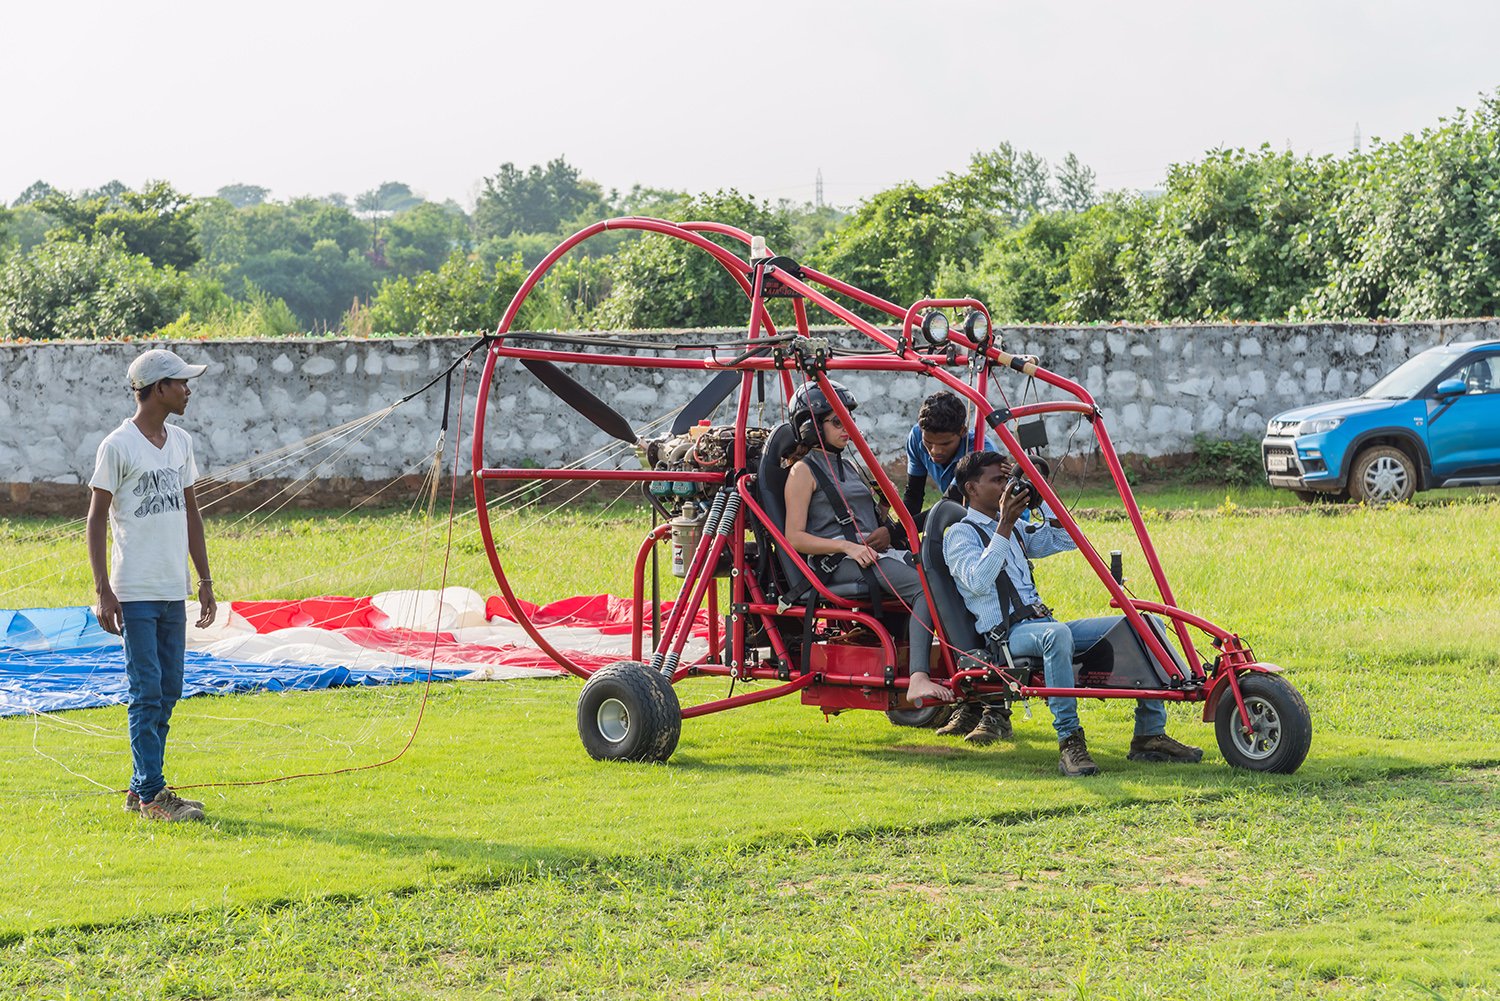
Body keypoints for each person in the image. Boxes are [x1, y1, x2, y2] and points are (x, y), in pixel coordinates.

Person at [942, 451, 1202, 776]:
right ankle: (1069, 742)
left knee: (1143, 623)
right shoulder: (959, 534)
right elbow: (979, 581)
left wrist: (1041, 492)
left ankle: (1150, 734)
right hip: (1006, 638)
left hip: (1042, 626)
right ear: (971, 489)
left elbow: (1068, 538)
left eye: (1008, 479)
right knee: (1058, 634)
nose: (1006, 487)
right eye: (997, 480)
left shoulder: (1017, 530)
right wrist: (1006, 524)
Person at [86, 349, 217, 822]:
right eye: (181, 382)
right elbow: (96, 517)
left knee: (170, 689)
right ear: (158, 388)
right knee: (146, 690)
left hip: (171, 589)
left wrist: (203, 580)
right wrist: (103, 589)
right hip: (135, 591)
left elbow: (192, 515)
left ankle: (142, 785)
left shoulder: (180, 443)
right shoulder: (117, 446)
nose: (188, 389)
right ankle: (152, 797)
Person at [782, 381, 951, 707]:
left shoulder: (847, 465)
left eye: (849, 419)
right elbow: (794, 537)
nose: (847, 428)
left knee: (944, 570)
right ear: (811, 426)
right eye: (836, 421)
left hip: (871, 554)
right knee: (923, 586)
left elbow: (864, 518)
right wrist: (847, 547)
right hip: (839, 565)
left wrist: (882, 513)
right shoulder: (802, 472)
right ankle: (918, 678)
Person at [901, 391, 996, 519]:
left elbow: (949, 505)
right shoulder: (916, 436)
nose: (935, 451)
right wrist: (902, 533)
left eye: (945, 444)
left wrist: (893, 532)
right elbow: (914, 493)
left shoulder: (980, 449)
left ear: (963, 431)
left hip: (999, 521)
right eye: (928, 442)